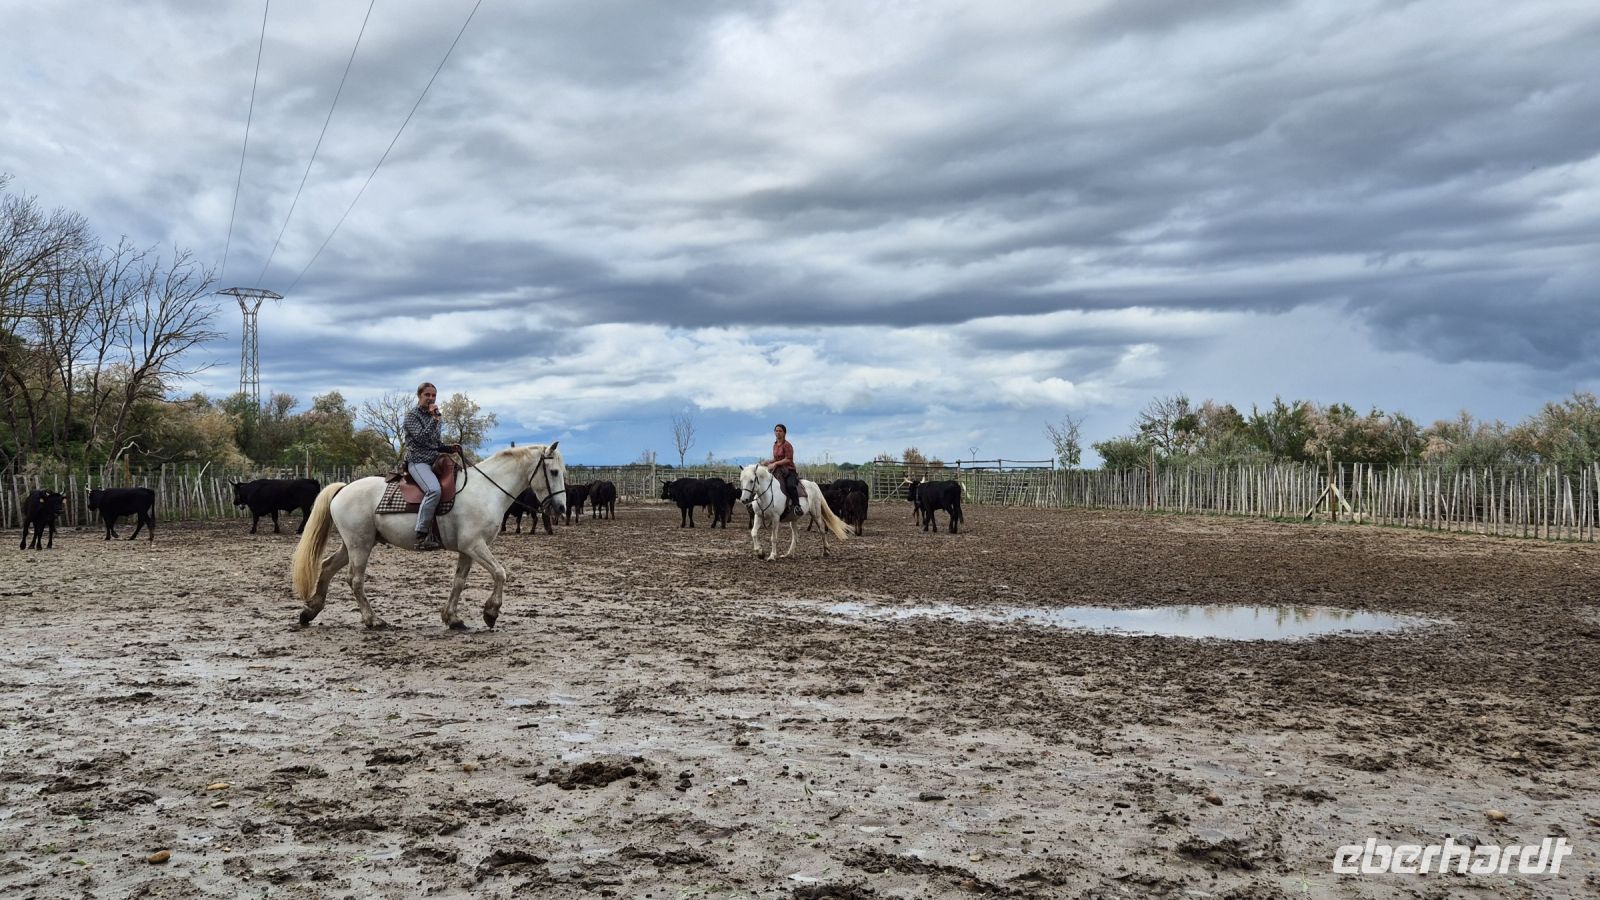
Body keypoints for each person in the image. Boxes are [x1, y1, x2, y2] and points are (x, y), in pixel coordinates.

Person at [404, 382, 462, 551]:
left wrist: (449, 448)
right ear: (419, 396)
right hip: (417, 461)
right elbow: (421, 439)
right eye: (427, 395)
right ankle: (421, 535)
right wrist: (435, 419)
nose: (430, 398)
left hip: (434, 460)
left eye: (433, 395)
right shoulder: (411, 416)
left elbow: (434, 443)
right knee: (434, 490)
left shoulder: (434, 417)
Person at [760, 423, 802, 519]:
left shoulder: (787, 445)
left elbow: (788, 459)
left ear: (784, 433)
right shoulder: (775, 445)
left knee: (790, 486)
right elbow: (776, 458)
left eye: (780, 431)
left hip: (789, 470)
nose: (778, 432)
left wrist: (775, 464)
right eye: (776, 431)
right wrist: (768, 462)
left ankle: (797, 506)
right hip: (778, 470)